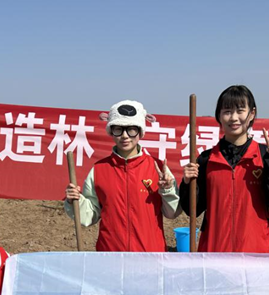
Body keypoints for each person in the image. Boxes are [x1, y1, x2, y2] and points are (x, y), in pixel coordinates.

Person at [179, 85, 269, 252]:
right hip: (215, 250)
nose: (234, 118)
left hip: (255, 251)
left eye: (240, 110)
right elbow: (193, 210)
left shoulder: (265, 156)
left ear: (252, 113)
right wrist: (187, 183)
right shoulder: (206, 160)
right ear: (219, 116)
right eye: (227, 111)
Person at [64, 100, 181, 251]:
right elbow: (90, 216)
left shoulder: (158, 168)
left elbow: (172, 213)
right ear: (111, 131)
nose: (125, 136)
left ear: (140, 132)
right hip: (110, 254)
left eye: (131, 129)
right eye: (118, 129)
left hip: (150, 254)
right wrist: (75, 201)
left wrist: (167, 190)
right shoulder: (99, 170)